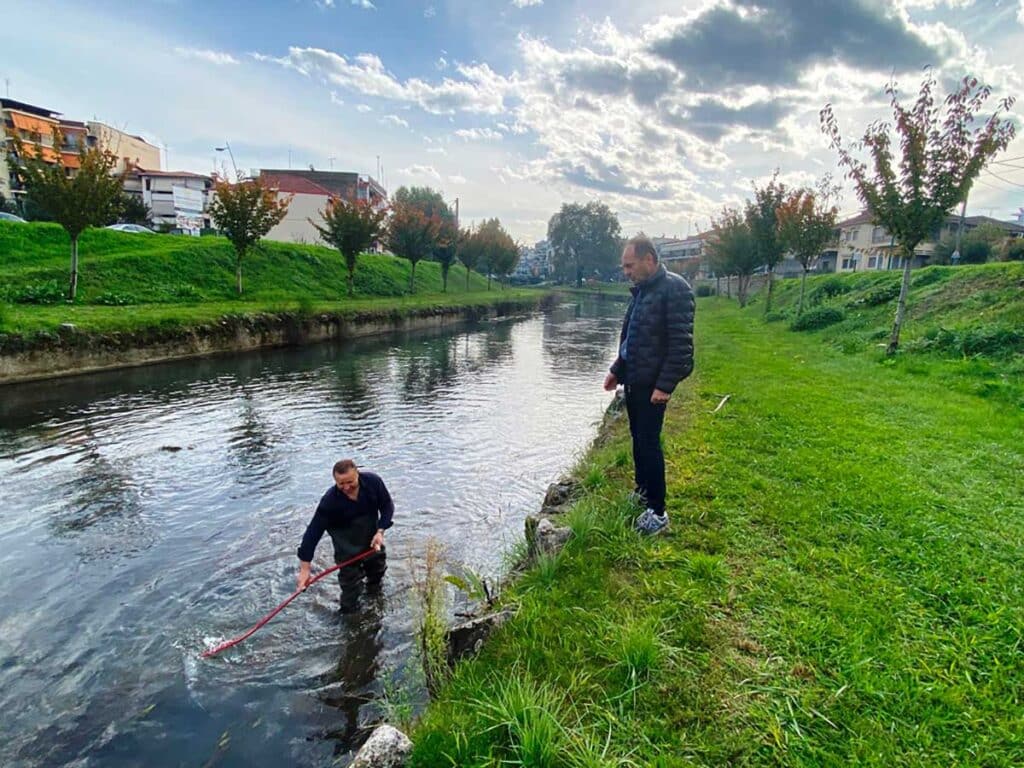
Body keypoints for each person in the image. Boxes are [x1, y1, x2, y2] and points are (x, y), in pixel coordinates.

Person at [604, 235, 695, 535]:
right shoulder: (642, 291)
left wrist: (664, 386)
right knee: (638, 440)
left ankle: (657, 512)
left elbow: (681, 348)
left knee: (650, 443)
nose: (626, 272)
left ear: (649, 260)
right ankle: (643, 492)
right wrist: (617, 369)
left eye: (630, 265)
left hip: (653, 385)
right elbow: (632, 339)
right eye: (624, 266)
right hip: (635, 380)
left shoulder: (676, 289)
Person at [297, 459, 393, 611]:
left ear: (357, 474)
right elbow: (313, 533)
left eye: (350, 482)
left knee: (376, 579)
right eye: (341, 484)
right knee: (350, 595)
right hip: (347, 552)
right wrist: (305, 569)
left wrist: (380, 531)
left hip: (372, 544)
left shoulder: (373, 482)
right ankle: (350, 618)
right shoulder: (329, 502)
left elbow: (387, 506)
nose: (346, 487)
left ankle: (375, 609)